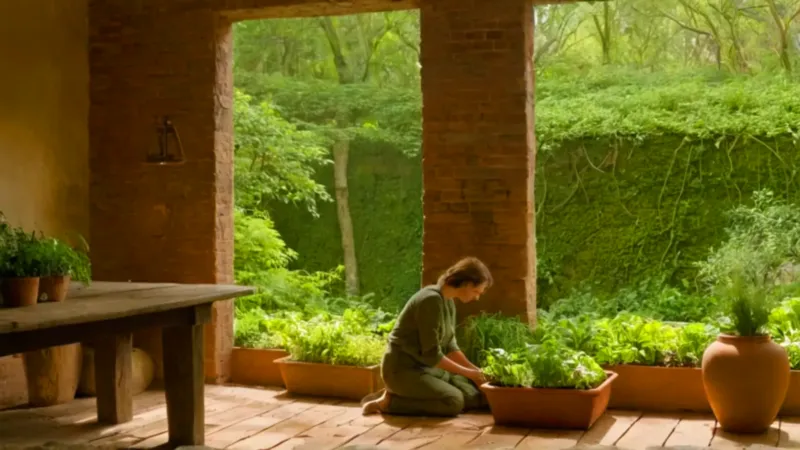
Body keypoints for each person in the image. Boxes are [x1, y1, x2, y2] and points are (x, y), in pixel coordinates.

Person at [361, 257, 492, 417]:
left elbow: (450, 347)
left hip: (427, 370)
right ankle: (389, 402)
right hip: (403, 370)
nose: (477, 297)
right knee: (454, 402)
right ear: (467, 284)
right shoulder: (430, 301)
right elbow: (432, 355)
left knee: (472, 395)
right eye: (476, 291)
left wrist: (476, 372)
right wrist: (468, 374)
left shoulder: (448, 301)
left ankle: (407, 393)